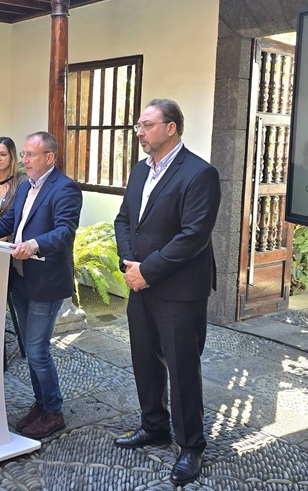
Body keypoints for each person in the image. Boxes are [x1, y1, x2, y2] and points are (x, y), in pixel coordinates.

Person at [112, 98, 221, 486]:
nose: (139, 132)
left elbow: (193, 236)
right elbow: (124, 220)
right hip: (140, 282)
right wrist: (130, 263)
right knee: (145, 360)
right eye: (138, 126)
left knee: (182, 367)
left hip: (179, 290)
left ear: (170, 128)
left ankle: (191, 445)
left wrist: (148, 271)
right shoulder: (140, 169)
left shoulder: (199, 173)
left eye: (147, 125)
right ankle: (154, 426)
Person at [0, 131, 81, 439]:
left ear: (49, 157)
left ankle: (54, 412)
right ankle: (41, 404)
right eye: (24, 154)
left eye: (30, 155)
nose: (25, 160)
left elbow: (64, 232)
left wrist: (33, 244)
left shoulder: (65, 188)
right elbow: (10, 223)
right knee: (33, 348)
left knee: (36, 349)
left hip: (46, 280)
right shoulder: (24, 187)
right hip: (21, 276)